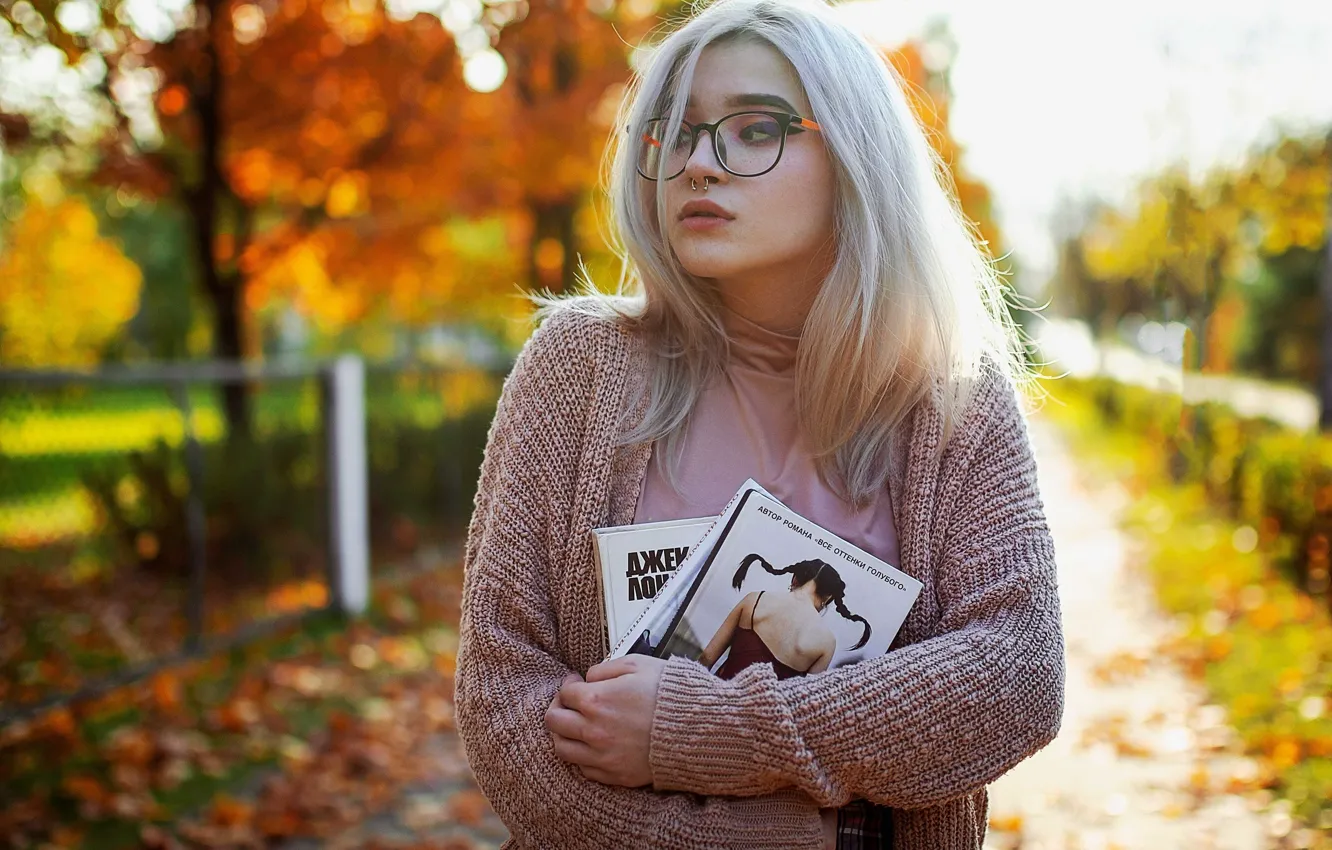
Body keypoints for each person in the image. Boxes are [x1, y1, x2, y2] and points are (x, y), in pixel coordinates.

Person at [453, 0, 1066, 847]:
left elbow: (1017, 673)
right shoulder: (579, 371)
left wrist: (699, 733)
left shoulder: (952, 404)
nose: (700, 162)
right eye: (678, 130)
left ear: (856, 156)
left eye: (754, 129)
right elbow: (502, 699)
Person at [698, 555, 871, 680]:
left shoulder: (755, 600)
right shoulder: (827, 642)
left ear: (795, 578)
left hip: (717, 702)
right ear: (827, 597)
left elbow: (707, 656)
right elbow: (804, 704)